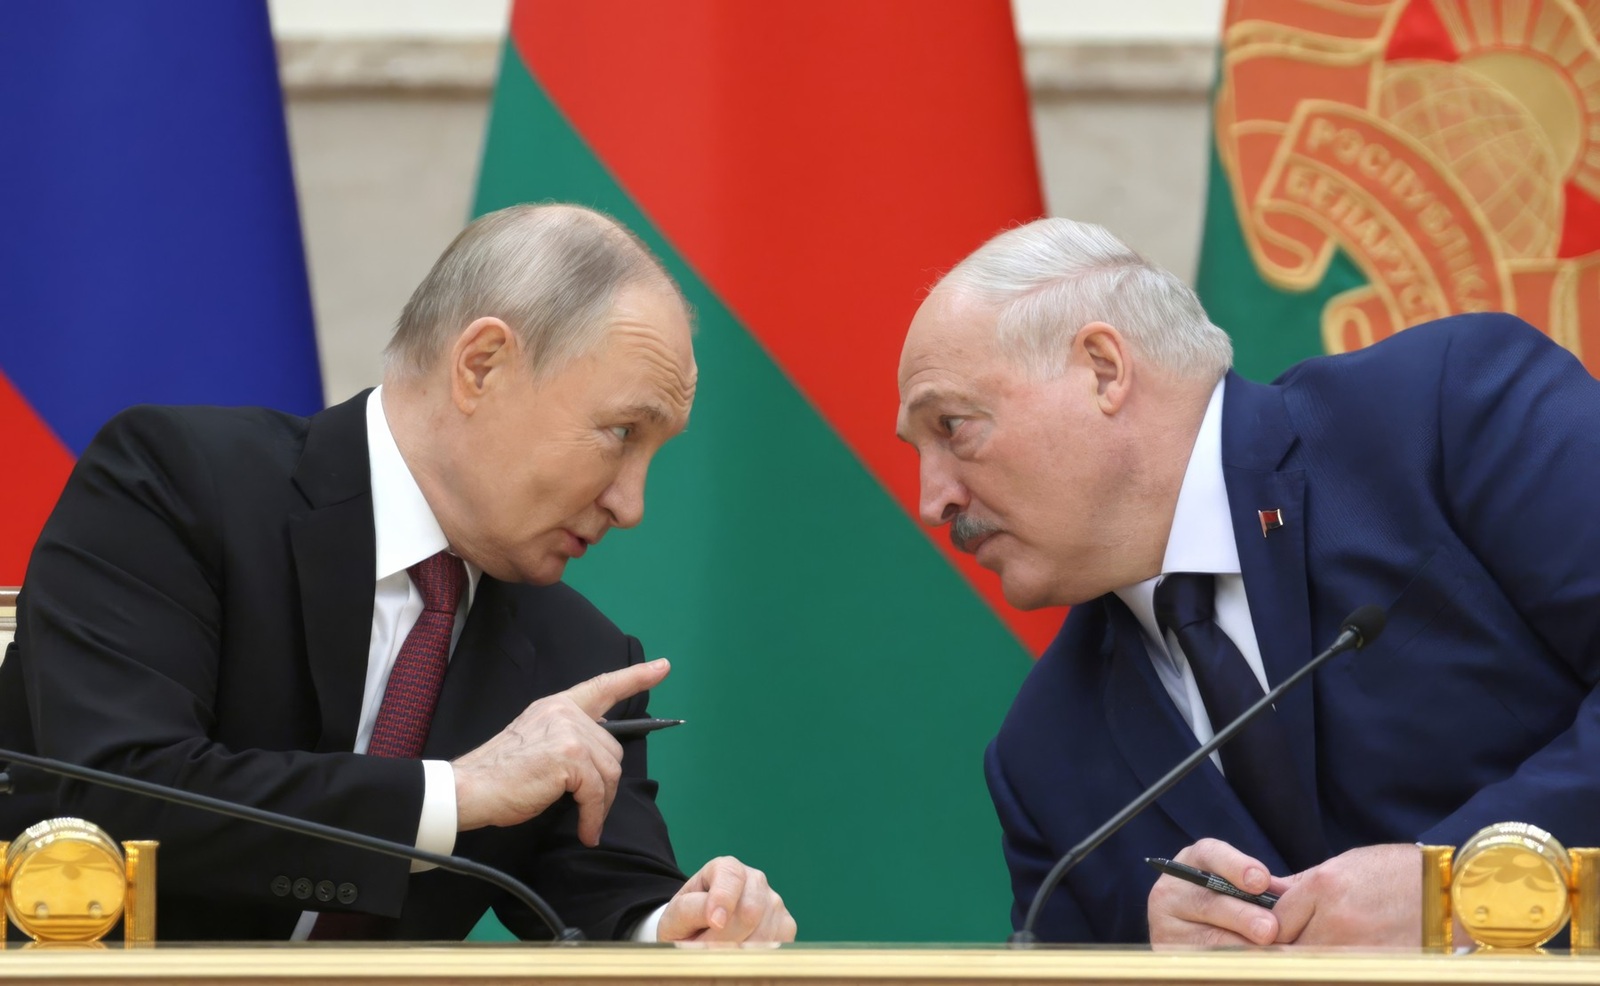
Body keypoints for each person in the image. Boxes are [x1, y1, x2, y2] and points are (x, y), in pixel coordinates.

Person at [0, 204, 795, 945]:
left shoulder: (581, 656)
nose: (633, 504)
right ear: (482, 365)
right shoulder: (174, 486)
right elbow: (115, 795)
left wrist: (685, 924)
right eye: (621, 432)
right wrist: (452, 795)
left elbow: (612, 897)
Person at [895, 216, 1600, 947]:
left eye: (952, 426)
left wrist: (1461, 888)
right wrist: (1152, 969)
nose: (931, 500)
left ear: (1103, 369)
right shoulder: (1042, 759)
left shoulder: (1444, 410)